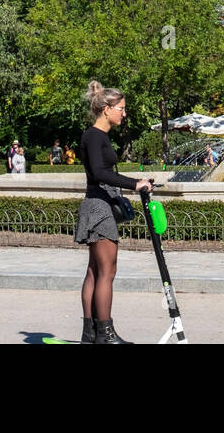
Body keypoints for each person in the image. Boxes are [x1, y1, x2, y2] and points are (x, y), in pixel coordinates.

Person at [76, 80, 151, 344]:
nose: (124, 112)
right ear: (107, 108)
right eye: (121, 108)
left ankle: (91, 333)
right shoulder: (95, 136)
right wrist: (135, 184)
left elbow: (104, 173)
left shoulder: (97, 136)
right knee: (106, 271)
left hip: (97, 205)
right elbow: (99, 173)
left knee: (95, 271)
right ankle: (105, 334)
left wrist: (137, 182)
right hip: (99, 207)